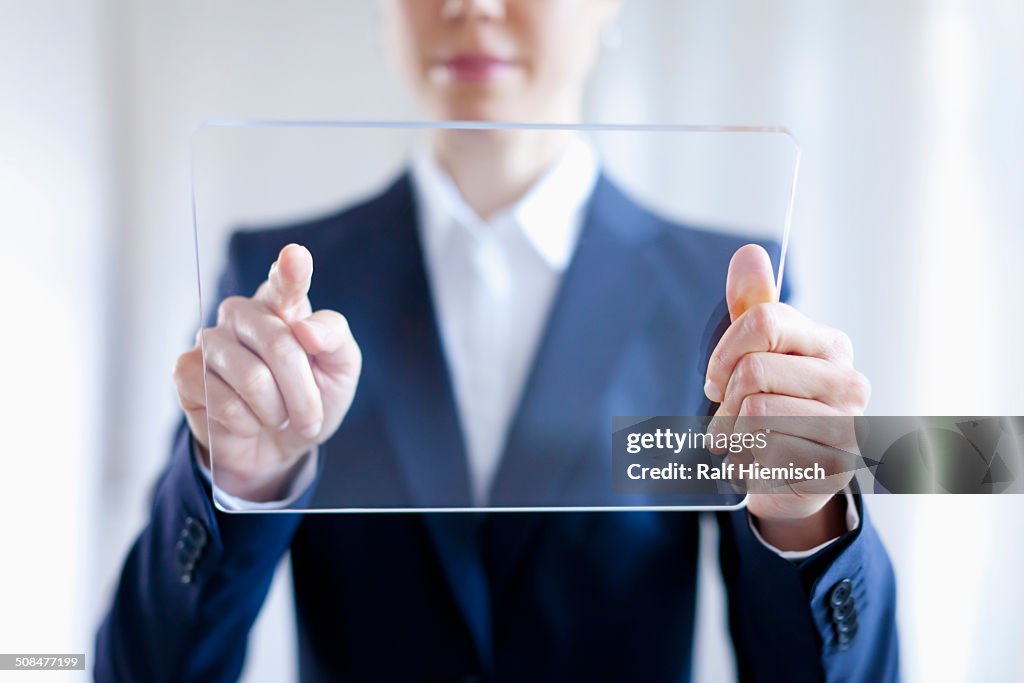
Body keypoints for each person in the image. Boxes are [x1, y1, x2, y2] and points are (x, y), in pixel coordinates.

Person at [95, 1, 898, 681]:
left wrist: (807, 516)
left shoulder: (720, 295)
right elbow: (142, 664)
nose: (472, 5)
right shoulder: (278, 293)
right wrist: (239, 483)